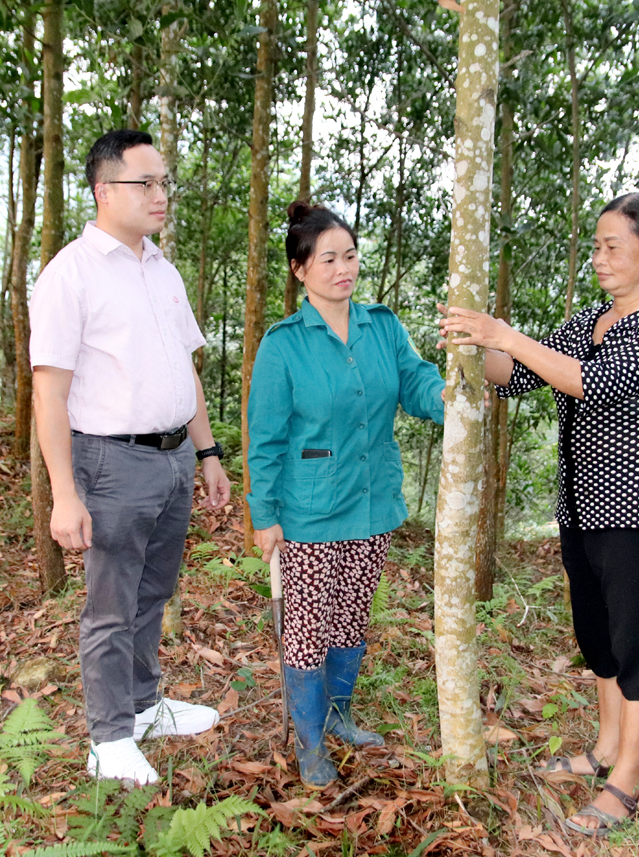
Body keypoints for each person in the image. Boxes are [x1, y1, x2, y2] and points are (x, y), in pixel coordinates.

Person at [439, 192, 639, 836]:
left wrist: (507, 334)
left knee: (637, 648)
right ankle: (606, 747)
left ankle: (625, 784)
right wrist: (476, 340)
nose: (600, 258)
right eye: (597, 246)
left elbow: (594, 382)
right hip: (583, 509)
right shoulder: (592, 318)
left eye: (613, 247)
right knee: (598, 640)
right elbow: (517, 373)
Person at [29, 129, 231, 787]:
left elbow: (185, 369)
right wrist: (64, 491)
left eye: (164, 182)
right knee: (111, 605)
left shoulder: (161, 269)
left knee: (153, 592)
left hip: (172, 459)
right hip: (110, 463)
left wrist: (207, 452)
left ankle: (145, 705)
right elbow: (49, 391)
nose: (160, 194)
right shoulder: (71, 274)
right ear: (103, 190)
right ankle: (109, 737)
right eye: (145, 183)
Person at [246, 202, 445, 787]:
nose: (344, 268)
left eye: (351, 256)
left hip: (371, 501)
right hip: (307, 510)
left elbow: (415, 381)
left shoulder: (382, 325)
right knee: (307, 628)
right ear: (300, 270)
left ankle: (339, 714)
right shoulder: (284, 344)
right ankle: (309, 742)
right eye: (328, 258)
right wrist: (265, 515)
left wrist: (452, 398)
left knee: (351, 618)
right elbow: (265, 438)